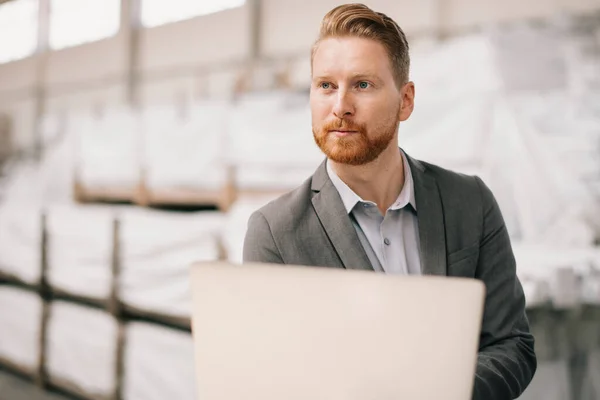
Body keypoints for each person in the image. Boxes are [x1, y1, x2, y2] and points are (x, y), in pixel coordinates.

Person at [243, 3, 536, 399]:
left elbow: (512, 345)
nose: (340, 106)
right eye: (326, 85)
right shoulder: (275, 234)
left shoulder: (471, 202)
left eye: (362, 85)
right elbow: (271, 379)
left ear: (406, 101)